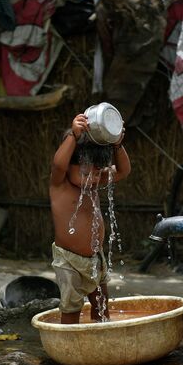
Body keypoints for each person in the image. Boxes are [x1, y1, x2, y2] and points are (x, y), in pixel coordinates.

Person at [49, 112, 131, 324]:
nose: (93, 179)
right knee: (71, 306)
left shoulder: (94, 182)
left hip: (95, 259)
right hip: (69, 260)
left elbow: (123, 170)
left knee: (102, 305)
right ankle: (68, 347)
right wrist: (73, 137)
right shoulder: (60, 185)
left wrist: (117, 145)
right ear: (70, 168)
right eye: (86, 173)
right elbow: (58, 164)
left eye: (97, 173)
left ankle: (100, 340)